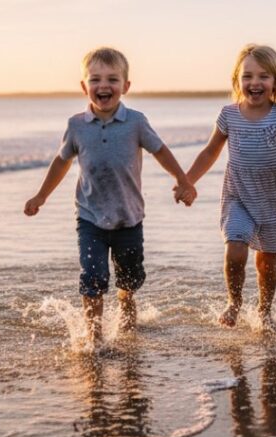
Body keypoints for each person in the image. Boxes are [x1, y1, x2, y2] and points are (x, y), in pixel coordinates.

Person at [24, 47, 196, 346]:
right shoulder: (76, 125)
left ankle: (127, 306)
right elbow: (61, 161)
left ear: (126, 86)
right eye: (96, 79)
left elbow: (160, 151)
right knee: (92, 275)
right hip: (90, 216)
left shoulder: (136, 122)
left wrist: (182, 181)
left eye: (112, 79)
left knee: (129, 278)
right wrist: (41, 196)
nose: (104, 86)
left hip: (129, 217)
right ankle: (94, 337)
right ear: (84, 86)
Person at [186, 44, 276, 329]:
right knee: (235, 247)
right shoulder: (229, 115)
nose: (255, 83)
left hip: (271, 195)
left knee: (267, 263)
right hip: (238, 193)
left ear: (275, 81)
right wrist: (187, 180)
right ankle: (235, 303)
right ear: (237, 81)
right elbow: (209, 152)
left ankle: (264, 313)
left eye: (263, 76)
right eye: (248, 76)